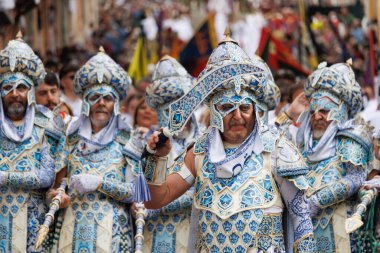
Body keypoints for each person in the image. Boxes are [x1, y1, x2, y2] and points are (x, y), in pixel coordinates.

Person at [144, 34, 315, 252]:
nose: (237, 116)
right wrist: (157, 159)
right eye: (226, 108)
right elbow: (156, 200)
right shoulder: (200, 152)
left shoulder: (276, 149)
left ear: (255, 110)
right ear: (213, 110)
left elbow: (301, 219)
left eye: (244, 108)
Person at [51, 48, 141, 252]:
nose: (101, 103)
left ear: (116, 104)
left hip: (113, 233)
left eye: (107, 98)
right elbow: (56, 186)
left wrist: (100, 183)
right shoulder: (70, 136)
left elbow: (137, 192)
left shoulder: (130, 138)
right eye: (95, 97)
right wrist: (57, 197)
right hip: (72, 229)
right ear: (86, 102)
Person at [278, 61, 372, 252]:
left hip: (339, 231)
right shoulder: (302, 143)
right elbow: (272, 144)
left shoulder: (350, 138)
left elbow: (355, 178)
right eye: (313, 112)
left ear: (340, 112)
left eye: (325, 111)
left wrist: (316, 201)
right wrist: (287, 114)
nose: (317, 117)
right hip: (303, 233)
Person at [0, 33, 65, 252]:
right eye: (7, 87)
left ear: (31, 92)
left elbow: (47, 177)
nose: (15, 94)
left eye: (21, 87)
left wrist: (4, 177)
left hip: (34, 223)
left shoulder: (47, 123)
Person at [138, 55, 198, 252]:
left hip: (192, 230)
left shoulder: (204, 144)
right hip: (151, 233)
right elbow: (136, 189)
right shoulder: (140, 142)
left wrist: (160, 205)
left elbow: (202, 193)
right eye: (171, 111)